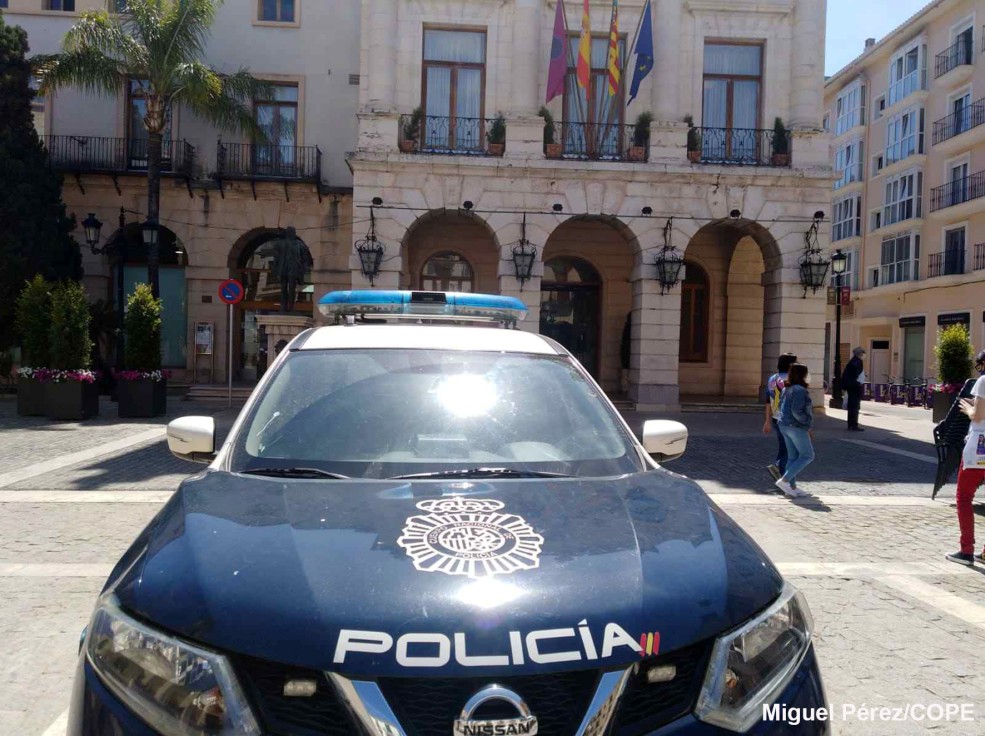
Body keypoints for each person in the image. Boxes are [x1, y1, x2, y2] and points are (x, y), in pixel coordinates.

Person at [946, 350, 985, 566]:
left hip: (979, 446)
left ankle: (966, 550)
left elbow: (978, 416)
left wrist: (969, 408)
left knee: (964, 497)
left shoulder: (983, 380)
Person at [776, 363, 814, 498]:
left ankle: (791, 487)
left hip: (784, 425)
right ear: (802, 375)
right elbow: (797, 411)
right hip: (795, 426)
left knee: (792, 457)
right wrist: (807, 423)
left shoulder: (788, 388)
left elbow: (781, 406)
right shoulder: (799, 390)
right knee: (807, 455)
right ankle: (785, 480)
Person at [763, 353, 798, 481]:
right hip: (788, 419)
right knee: (791, 449)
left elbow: (768, 400)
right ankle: (782, 473)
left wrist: (767, 420)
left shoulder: (773, 378)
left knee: (784, 448)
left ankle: (781, 474)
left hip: (776, 417)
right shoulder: (791, 380)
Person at [840, 346, 866, 432]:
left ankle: (851, 424)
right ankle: (853, 424)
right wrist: (857, 383)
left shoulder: (853, 361)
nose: (864, 355)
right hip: (854, 386)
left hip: (851, 386)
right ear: (860, 354)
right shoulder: (858, 362)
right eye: (863, 353)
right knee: (855, 406)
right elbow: (855, 374)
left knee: (852, 405)